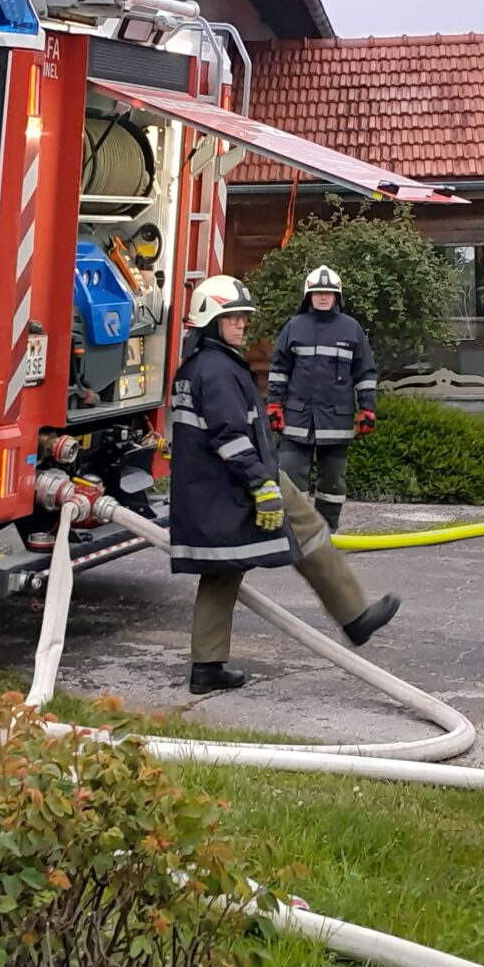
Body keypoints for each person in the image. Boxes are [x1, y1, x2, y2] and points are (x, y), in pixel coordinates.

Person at [169, 275, 400, 695]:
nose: (242, 324)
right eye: (232, 317)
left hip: (213, 487)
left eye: (243, 317)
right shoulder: (218, 370)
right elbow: (230, 437)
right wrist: (261, 485)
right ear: (210, 321)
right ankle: (355, 617)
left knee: (224, 568)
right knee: (308, 529)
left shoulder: (199, 366)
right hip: (240, 480)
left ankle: (207, 666)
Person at [266, 263, 379, 532]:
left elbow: (365, 373)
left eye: (328, 293)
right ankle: (294, 532)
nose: (323, 297)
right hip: (297, 419)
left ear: (337, 296)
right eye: (318, 293)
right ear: (309, 296)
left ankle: (328, 531)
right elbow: (279, 370)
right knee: (291, 478)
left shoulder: (351, 329)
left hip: (336, 420)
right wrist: (274, 405)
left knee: (332, 483)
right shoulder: (294, 327)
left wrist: (367, 409)